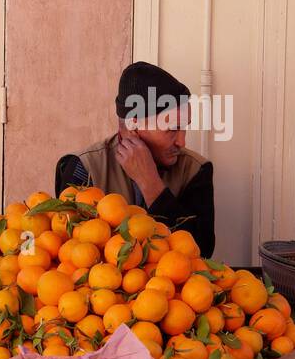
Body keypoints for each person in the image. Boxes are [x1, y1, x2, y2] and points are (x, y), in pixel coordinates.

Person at [55, 61, 216, 256]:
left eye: (185, 127)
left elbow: (202, 251)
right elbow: (70, 252)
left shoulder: (195, 170)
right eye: (172, 128)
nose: (181, 141)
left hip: (171, 285)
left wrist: (151, 184)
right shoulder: (85, 168)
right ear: (132, 126)